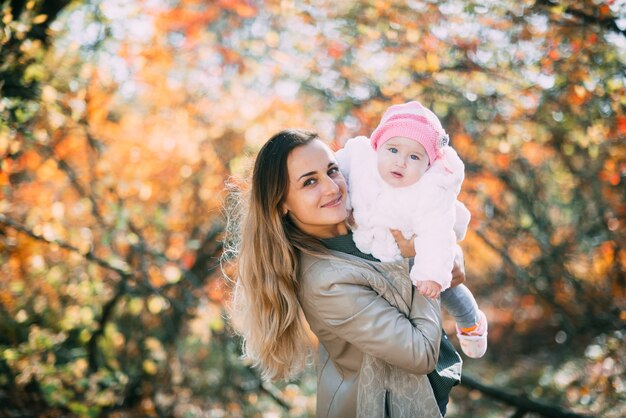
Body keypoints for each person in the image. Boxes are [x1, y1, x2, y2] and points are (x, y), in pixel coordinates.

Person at [225, 129, 465, 417]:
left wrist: (447, 256)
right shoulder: (324, 281)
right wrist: (427, 266)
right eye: (310, 181)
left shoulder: (365, 219)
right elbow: (421, 353)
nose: (331, 188)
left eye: (332, 170)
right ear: (282, 203)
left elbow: (431, 226)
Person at [335, 100, 488, 358]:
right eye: (393, 149)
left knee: (447, 287)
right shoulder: (359, 162)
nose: (401, 162)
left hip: (419, 250)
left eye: (414, 156)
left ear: (428, 165)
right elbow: (332, 171)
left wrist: (431, 272)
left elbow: (435, 234)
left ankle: (471, 321)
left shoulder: (429, 190)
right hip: (374, 251)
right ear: (377, 146)